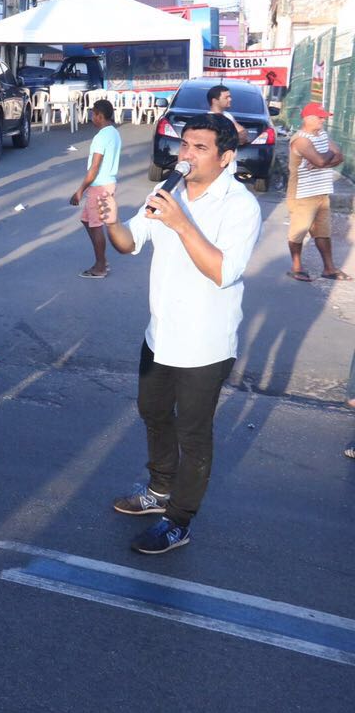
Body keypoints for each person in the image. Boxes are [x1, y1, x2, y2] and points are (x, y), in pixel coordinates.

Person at [98, 114, 262, 554]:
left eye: (199, 147)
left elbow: (223, 272)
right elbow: (129, 243)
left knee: (193, 433)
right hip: (160, 334)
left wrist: (181, 223)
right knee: (152, 411)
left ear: (226, 157)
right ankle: (159, 490)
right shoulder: (165, 191)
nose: (185, 155)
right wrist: (112, 221)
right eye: (184, 144)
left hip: (205, 343)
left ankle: (179, 520)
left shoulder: (239, 205)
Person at [286, 102, 348, 281]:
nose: (323, 120)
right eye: (320, 117)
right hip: (302, 194)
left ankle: (329, 269)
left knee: (323, 232)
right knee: (299, 231)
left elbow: (340, 155)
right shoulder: (301, 140)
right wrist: (326, 157)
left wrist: (322, 159)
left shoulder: (321, 135)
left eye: (324, 117)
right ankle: (296, 267)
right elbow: (323, 160)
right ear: (308, 118)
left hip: (322, 191)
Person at [69, 99, 122, 279]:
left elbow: (95, 167)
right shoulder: (114, 132)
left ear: (100, 115)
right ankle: (101, 260)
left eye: (93, 114)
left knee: (96, 224)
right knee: (87, 220)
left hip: (99, 185)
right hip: (106, 184)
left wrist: (80, 190)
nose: (92, 118)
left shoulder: (101, 137)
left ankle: (100, 266)